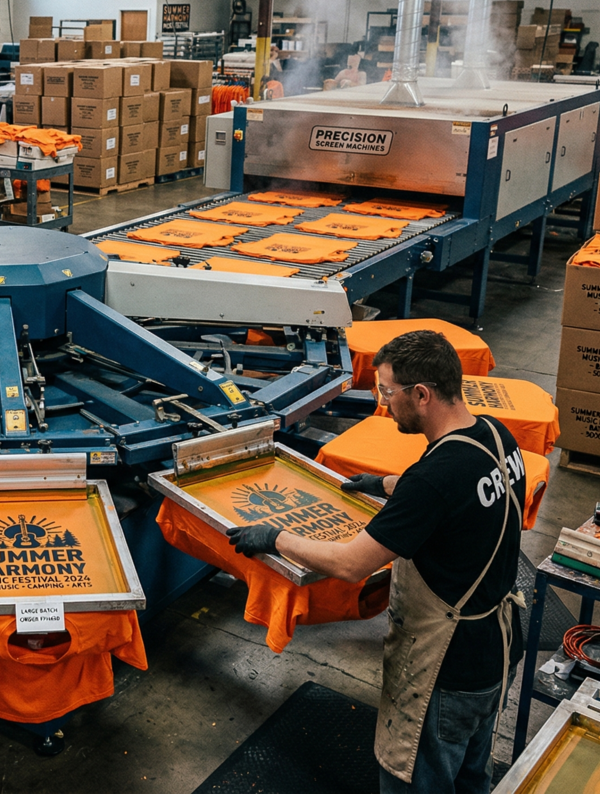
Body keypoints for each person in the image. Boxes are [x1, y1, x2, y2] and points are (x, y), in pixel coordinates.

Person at [225, 330, 526, 794]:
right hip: (496, 654)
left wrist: (274, 536)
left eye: (388, 391)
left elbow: (350, 564)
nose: (383, 403)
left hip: (445, 670)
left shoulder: (433, 481)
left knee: (418, 782)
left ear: (422, 394)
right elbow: (455, 493)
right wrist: (386, 484)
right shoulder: (493, 434)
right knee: (471, 781)